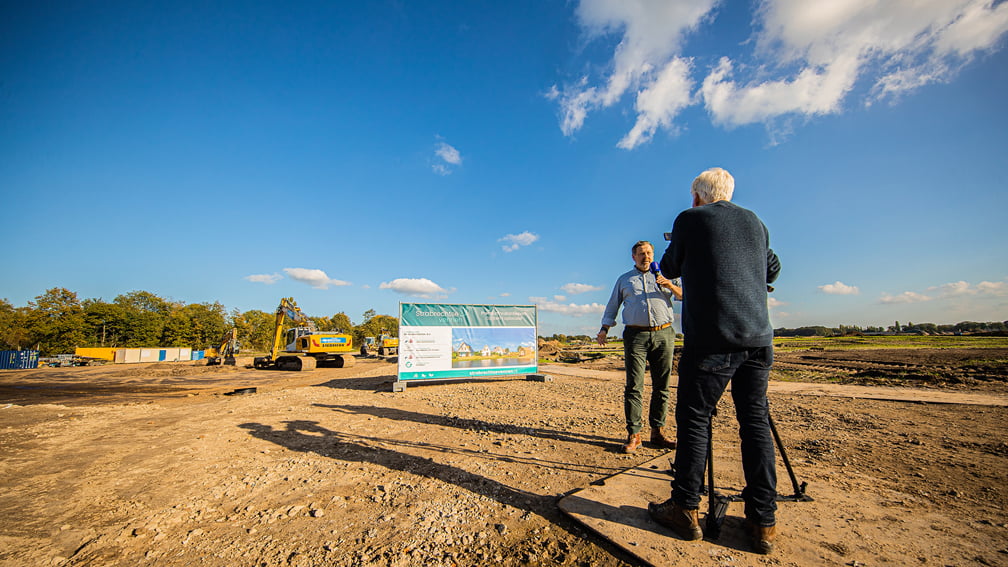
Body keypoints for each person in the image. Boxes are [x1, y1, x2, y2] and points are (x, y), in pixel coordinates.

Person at [648, 167, 782, 554]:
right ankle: (763, 522)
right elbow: (773, 268)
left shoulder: (690, 219)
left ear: (697, 196)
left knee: (694, 418)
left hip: (712, 339)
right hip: (758, 337)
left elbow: (670, 267)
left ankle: (685, 508)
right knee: (754, 422)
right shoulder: (755, 222)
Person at [597, 240, 683, 454]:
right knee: (634, 386)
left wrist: (669, 285)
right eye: (642, 253)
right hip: (635, 335)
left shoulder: (667, 275)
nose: (647, 257)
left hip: (664, 333)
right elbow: (613, 305)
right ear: (633, 257)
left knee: (662, 386)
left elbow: (685, 296)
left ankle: (658, 432)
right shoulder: (625, 280)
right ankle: (634, 434)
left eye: (649, 252)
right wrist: (604, 329)